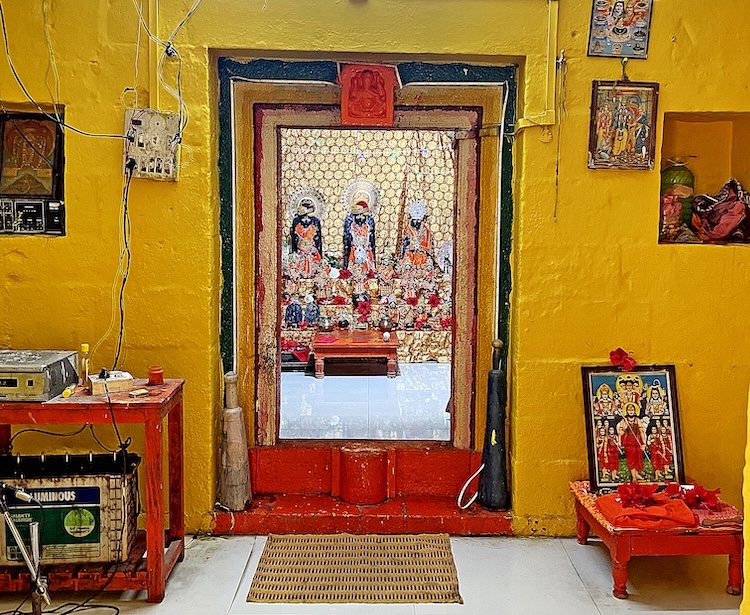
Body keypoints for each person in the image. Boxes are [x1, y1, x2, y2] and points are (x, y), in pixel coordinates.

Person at [342, 180, 379, 275]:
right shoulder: (351, 225)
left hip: (366, 250)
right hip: (354, 251)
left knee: (368, 271)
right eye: (358, 215)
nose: (360, 218)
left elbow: (372, 241)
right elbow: (347, 243)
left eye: (362, 215)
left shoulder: (369, 224)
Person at [288, 187, 327, 279]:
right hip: (300, 250)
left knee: (313, 269)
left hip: (311, 250)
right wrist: (293, 252)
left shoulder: (315, 221)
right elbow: (293, 239)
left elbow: (318, 240)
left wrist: (320, 255)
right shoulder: (296, 221)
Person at [617, 402, 647, 481]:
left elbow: (641, 432)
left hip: (637, 441)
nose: (631, 411)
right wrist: (624, 428)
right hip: (629, 443)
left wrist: (644, 443)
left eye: (632, 410)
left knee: (638, 458)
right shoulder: (624, 420)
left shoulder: (637, 420)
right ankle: (633, 476)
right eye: (629, 410)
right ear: (627, 411)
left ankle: (636, 474)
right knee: (631, 459)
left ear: (635, 411)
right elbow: (620, 433)